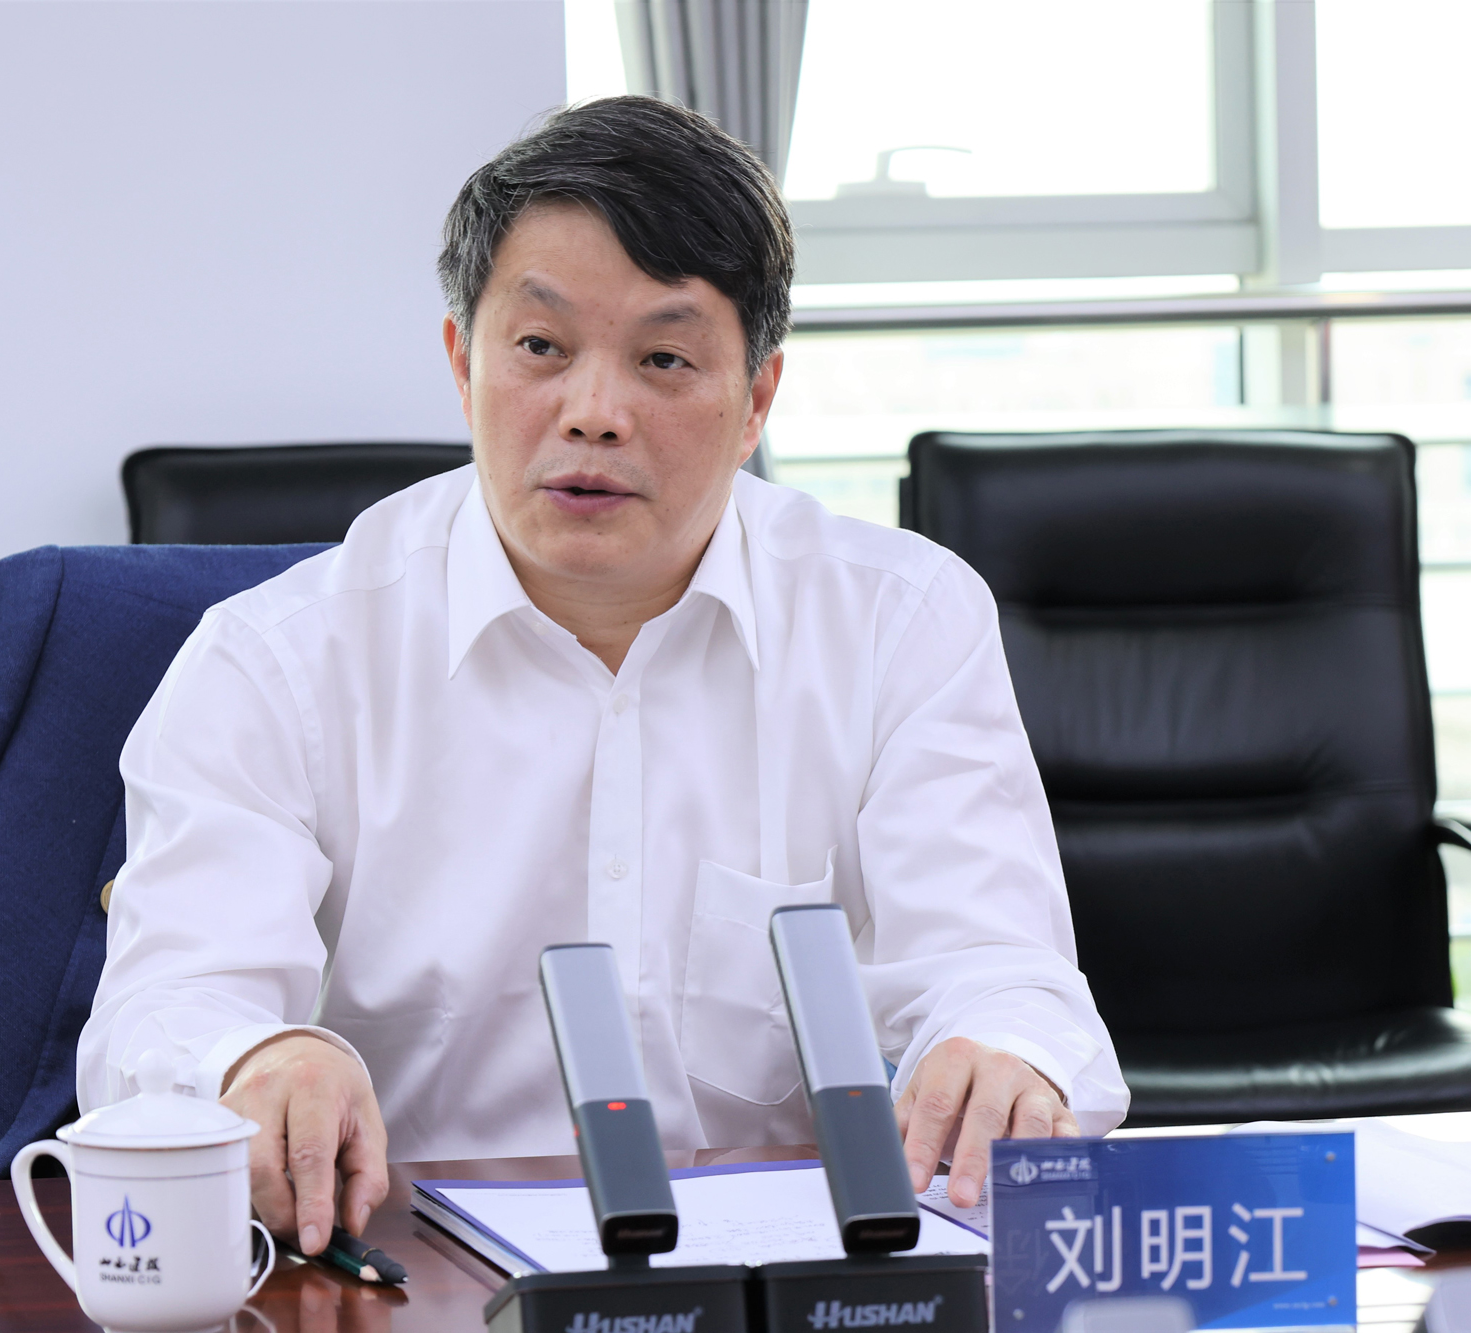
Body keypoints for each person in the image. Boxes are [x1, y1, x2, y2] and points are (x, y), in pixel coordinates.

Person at [77, 95, 1127, 1262]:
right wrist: (257, 1059)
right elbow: (166, 1008)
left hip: (786, 1278)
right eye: (540, 348)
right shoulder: (275, 660)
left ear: (755, 400)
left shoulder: (898, 621)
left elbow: (998, 968)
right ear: (460, 362)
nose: (592, 414)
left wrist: (1002, 1055)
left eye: (663, 359)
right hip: (420, 1281)